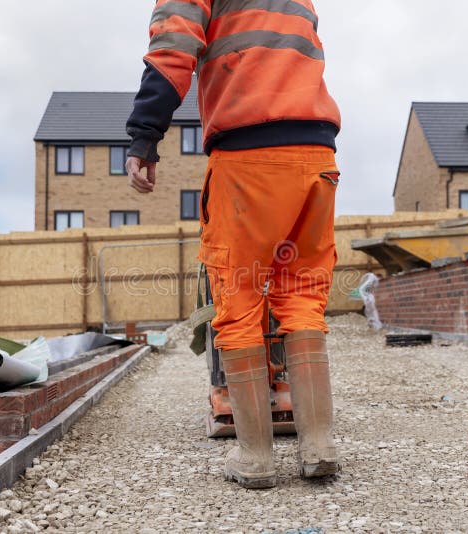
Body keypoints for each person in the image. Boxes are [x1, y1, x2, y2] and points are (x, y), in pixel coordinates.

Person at [126, 0, 341, 489]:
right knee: (304, 297)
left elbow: (173, 49)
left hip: (248, 154)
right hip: (316, 152)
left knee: (239, 298)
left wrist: (144, 136)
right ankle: (318, 446)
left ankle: (257, 460)